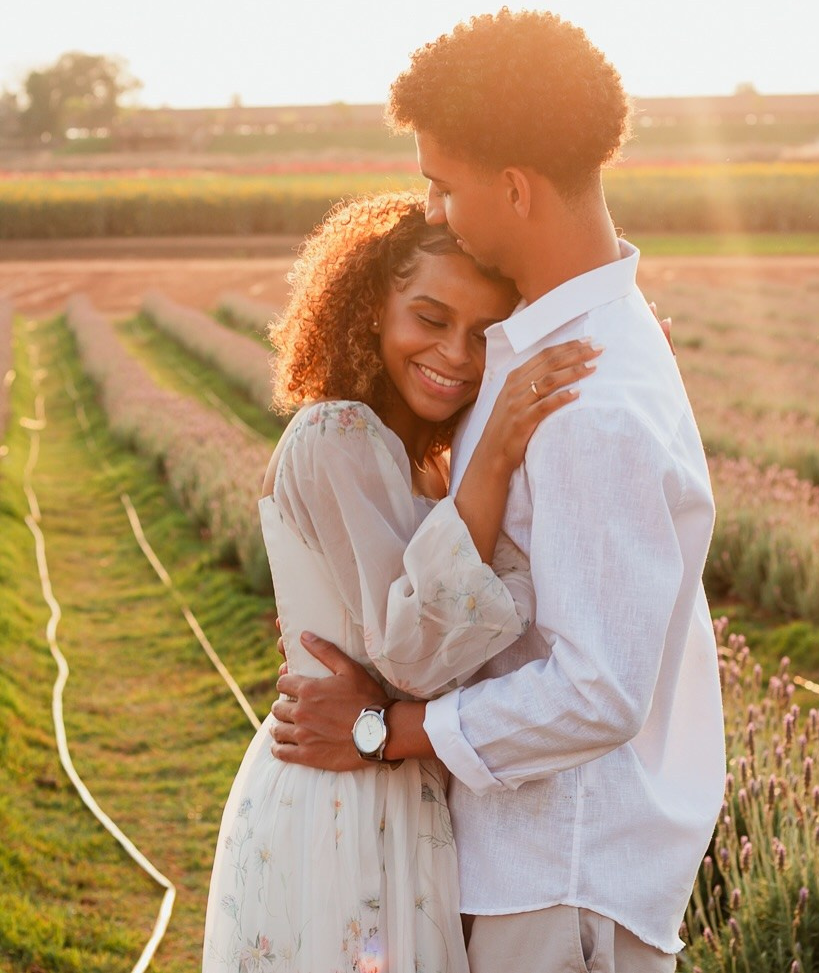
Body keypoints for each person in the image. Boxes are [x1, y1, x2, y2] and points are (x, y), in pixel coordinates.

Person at [270, 9, 727, 972]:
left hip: (560, 880)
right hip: (529, 870)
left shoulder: (587, 401)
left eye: (443, 183)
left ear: (514, 187)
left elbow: (597, 687)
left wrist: (390, 729)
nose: (431, 208)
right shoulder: (553, 351)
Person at [202, 191, 597, 972]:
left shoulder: (427, 465)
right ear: (369, 312)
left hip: (397, 783)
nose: (456, 352)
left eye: (485, 333)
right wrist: (493, 466)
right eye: (429, 316)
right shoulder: (334, 434)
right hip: (342, 797)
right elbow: (413, 657)